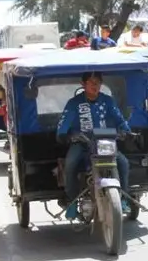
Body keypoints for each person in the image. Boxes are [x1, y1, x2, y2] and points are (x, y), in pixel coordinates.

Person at [56, 71, 132, 218]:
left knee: (123, 163)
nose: (95, 85)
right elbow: (63, 124)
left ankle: (123, 199)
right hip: (82, 142)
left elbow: (119, 119)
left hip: (105, 142)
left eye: (97, 82)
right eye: (91, 82)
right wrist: (67, 134)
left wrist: (126, 131)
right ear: (83, 84)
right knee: (70, 164)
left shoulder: (108, 101)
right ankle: (71, 203)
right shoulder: (74, 103)